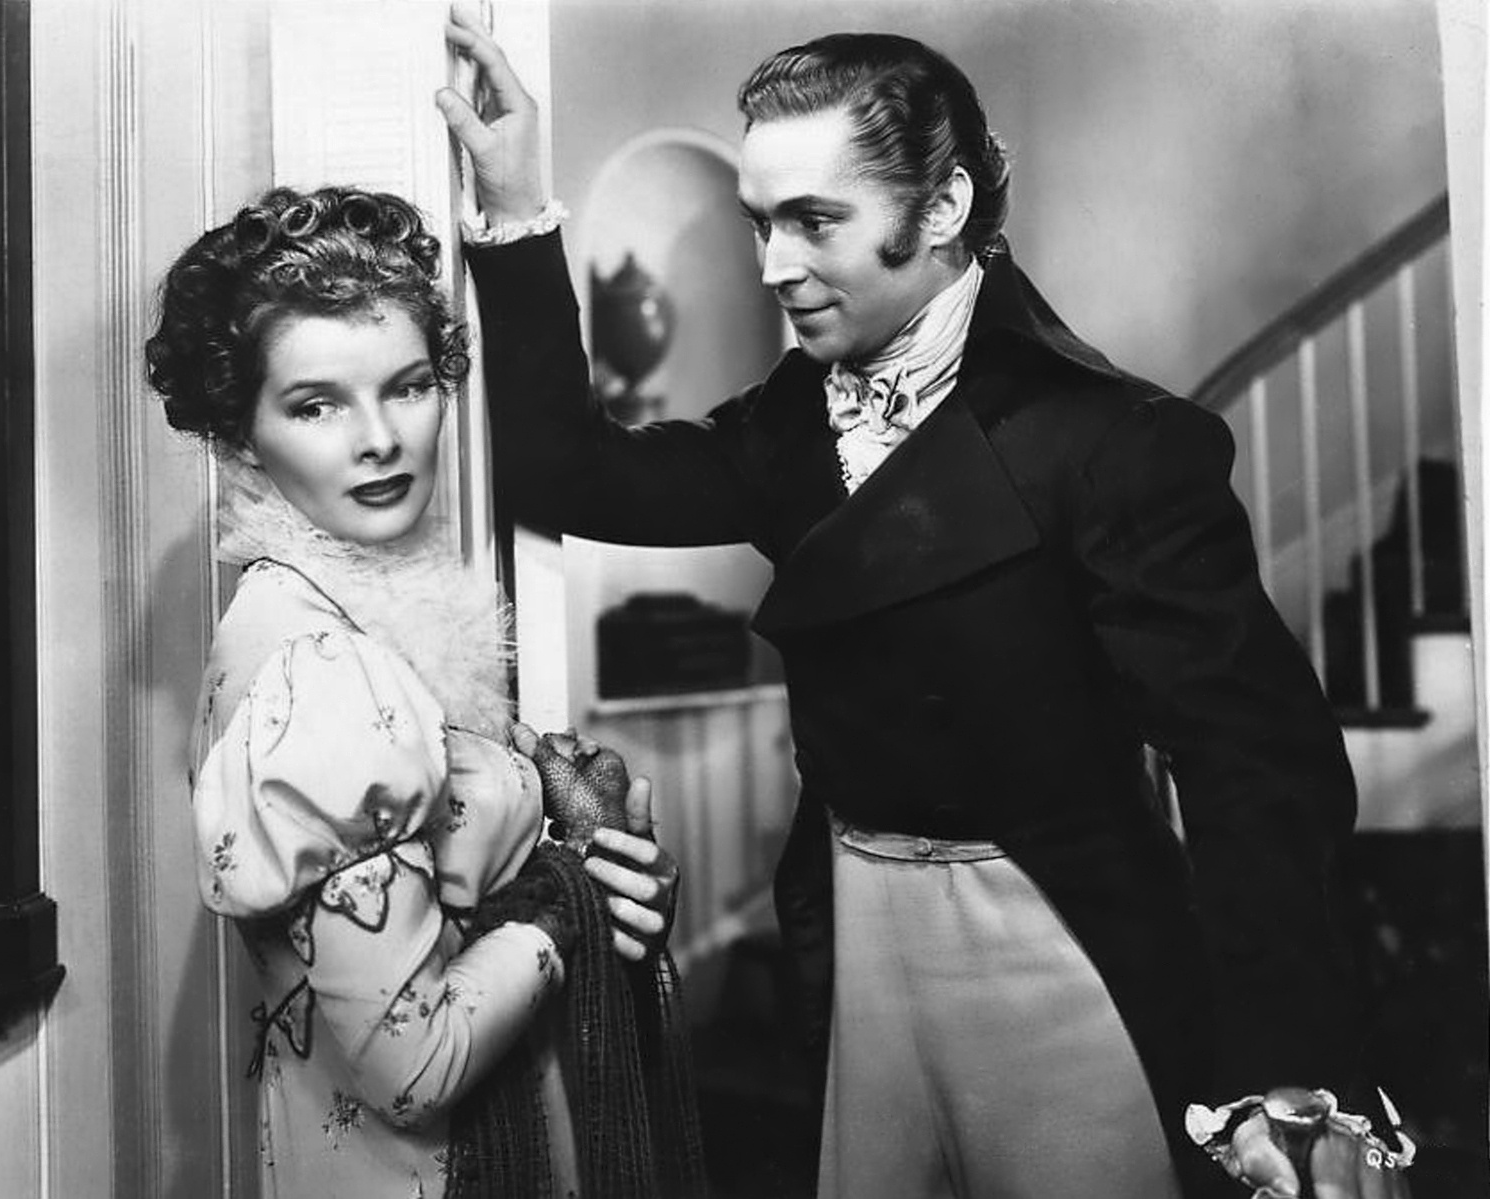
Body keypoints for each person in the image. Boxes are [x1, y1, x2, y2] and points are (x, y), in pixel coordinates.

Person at [435, 13, 1415, 1199]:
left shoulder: (1115, 440)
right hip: (856, 928)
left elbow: (1254, 766)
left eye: (815, 221)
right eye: (759, 222)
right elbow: (568, 473)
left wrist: (1295, 1071)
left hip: (1058, 942)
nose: (772, 266)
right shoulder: (789, 419)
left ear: (942, 207)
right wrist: (515, 209)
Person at [146, 184, 704, 1198]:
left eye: (407, 387)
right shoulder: (325, 671)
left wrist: (593, 852)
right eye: (316, 405)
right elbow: (415, 1066)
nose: (380, 439)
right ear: (238, 436)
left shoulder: (349, 614)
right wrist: (564, 900)